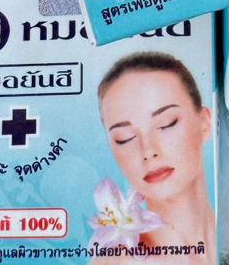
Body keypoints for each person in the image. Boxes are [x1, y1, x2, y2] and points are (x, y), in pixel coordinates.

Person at [90, 52, 215, 264]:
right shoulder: (117, 261)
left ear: (204, 123)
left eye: (167, 124)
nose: (148, 151)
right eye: (125, 138)